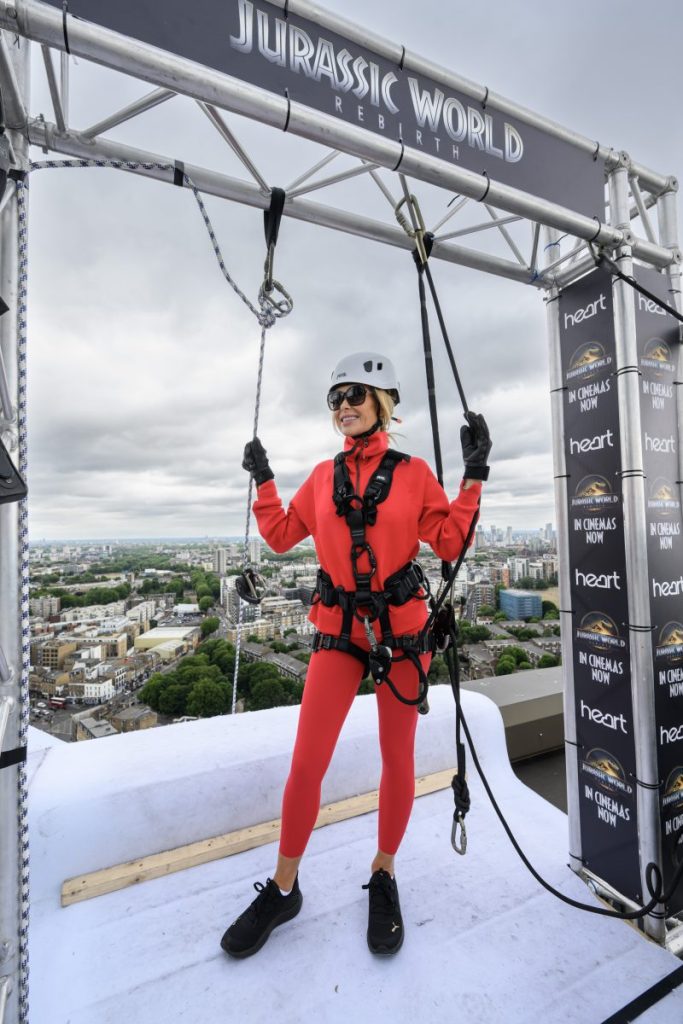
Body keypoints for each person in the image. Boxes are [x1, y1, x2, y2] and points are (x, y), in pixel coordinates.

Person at [220, 351, 491, 959]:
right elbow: (282, 534)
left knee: (397, 760)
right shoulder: (322, 477)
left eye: (356, 395)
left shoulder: (415, 472)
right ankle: (284, 888)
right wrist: (263, 479)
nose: (344, 406)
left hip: (402, 632)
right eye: (336, 398)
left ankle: (384, 873)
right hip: (340, 630)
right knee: (306, 762)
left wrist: (474, 474)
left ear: (382, 403)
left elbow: (450, 539)